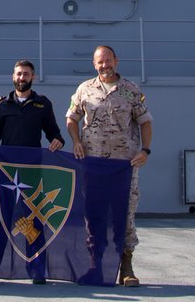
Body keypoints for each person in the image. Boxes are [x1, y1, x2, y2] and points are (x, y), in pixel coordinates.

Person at [0, 59, 65, 286]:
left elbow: (54, 133)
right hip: (6, 173)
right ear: (13, 77)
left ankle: (37, 271)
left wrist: (57, 141)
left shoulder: (43, 104)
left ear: (32, 77)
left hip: (32, 172)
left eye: (26, 74)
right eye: (18, 74)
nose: (22, 78)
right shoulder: (2, 105)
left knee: (34, 221)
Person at [65, 45, 152, 287]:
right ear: (94, 64)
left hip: (124, 165)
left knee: (125, 213)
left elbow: (145, 121)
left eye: (108, 60)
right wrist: (76, 142)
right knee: (94, 215)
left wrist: (145, 149)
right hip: (94, 165)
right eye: (100, 62)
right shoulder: (85, 89)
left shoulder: (131, 90)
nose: (105, 65)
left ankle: (126, 266)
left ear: (116, 60)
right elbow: (71, 118)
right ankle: (96, 266)